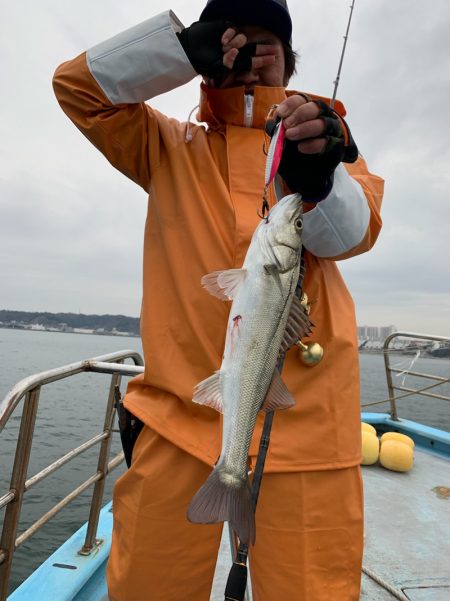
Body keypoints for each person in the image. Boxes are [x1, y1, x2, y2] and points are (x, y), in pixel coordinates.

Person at [53, 1, 384, 599]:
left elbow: (355, 235)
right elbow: (76, 88)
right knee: (147, 585)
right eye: (236, 42)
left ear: (291, 60)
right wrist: (175, 52)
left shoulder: (332, 144)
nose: (254, 59)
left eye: (268, 46)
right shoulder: (165, 144)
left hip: (311, 428)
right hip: (178, 418)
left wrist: (322, 179)